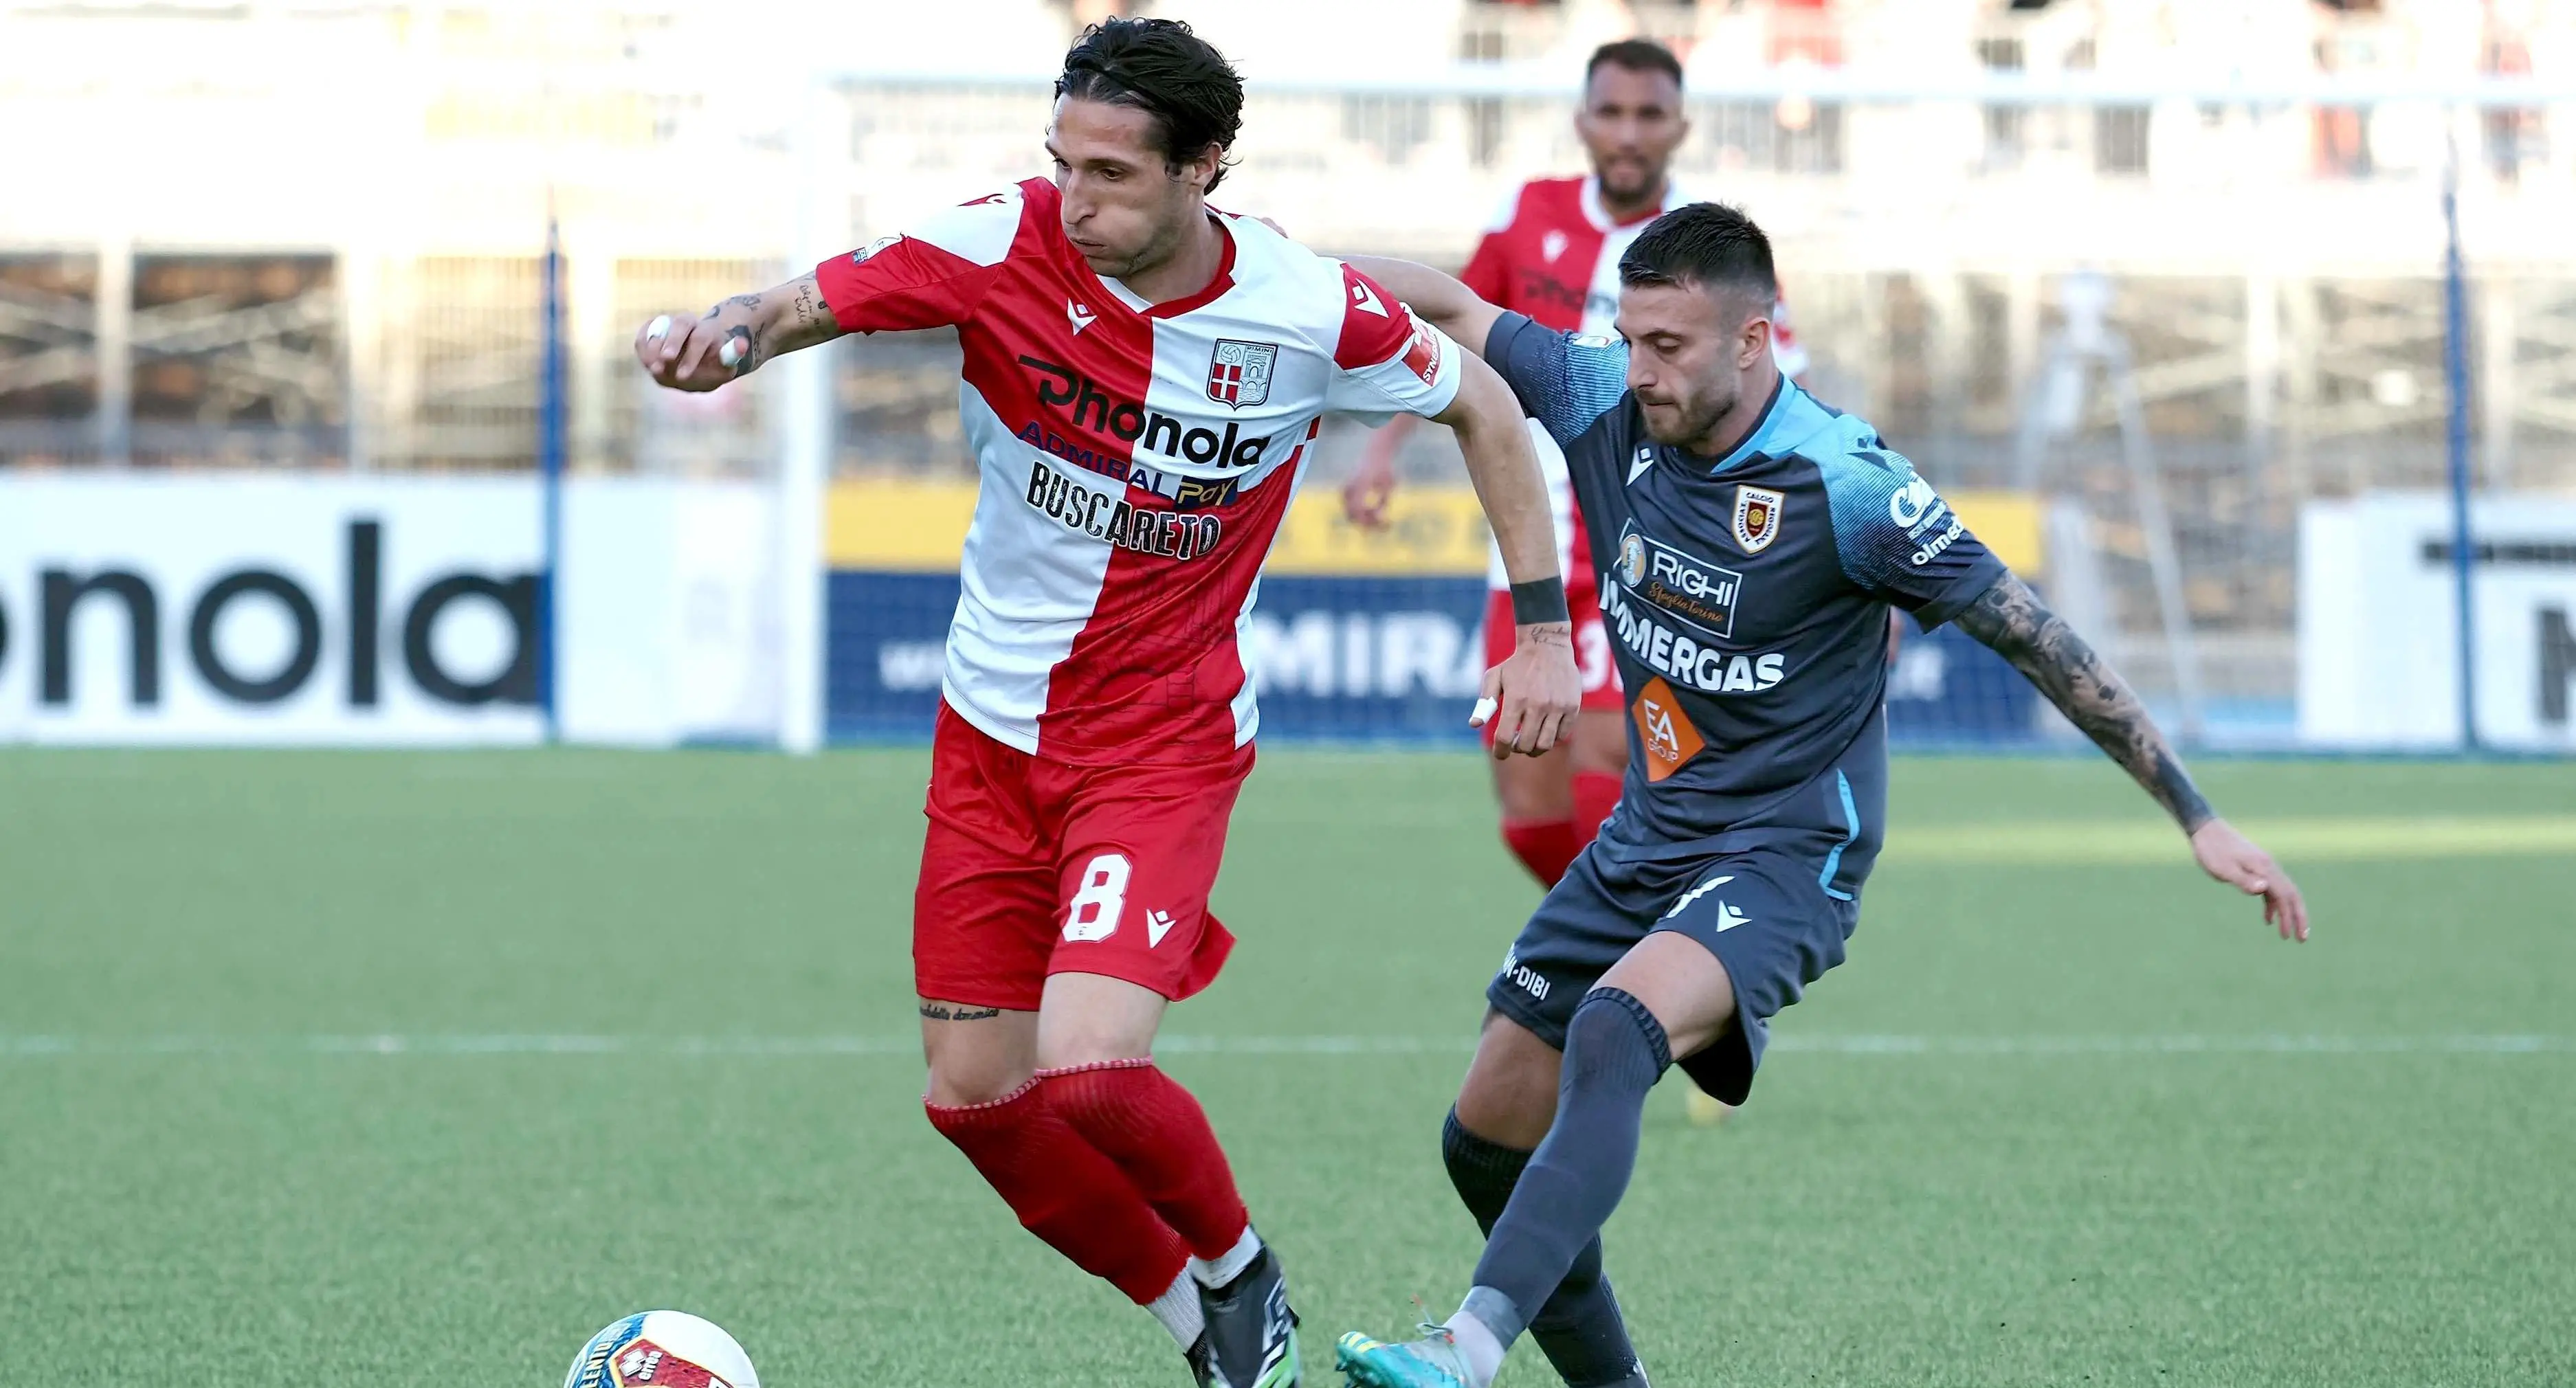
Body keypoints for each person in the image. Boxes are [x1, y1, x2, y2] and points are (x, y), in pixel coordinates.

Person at [630, 20, 1582, 1388]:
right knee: (973, 1100)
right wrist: (718, 338)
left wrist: (1539, 630)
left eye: (1114, 175)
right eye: (1061, 163)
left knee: (1086, 1069)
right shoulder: (998, 243)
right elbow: (799, 305)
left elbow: (1487, 408)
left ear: (1204, 169)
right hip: (986, 735)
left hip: (1160, 744)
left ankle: (1242, 1265)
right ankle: (1204, 1327)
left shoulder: (1303, 307)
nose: (1076, 201)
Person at [1325, 205, 2310, 1388]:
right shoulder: (1598, 398)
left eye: (1669, 347)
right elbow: (1448, 305)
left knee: (1612, 1029)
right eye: (1631, 338)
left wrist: (2194, 815)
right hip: (1650, 833)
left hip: (1789, 856)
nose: (1639, 370)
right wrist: (1262, 268)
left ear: (1754, 341)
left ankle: (1466, 1346)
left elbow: (2041, 644)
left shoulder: (1847, 486)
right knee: (1482, 1137)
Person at [1340, 38, 1808, 893]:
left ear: (1680, 127)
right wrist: (1383, 443)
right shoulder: (1528, 211)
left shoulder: (1712, 246)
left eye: (1649, 116)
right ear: (1582, 121)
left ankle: (1646, 978)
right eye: (1613, 113)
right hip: (1525, 537)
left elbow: (1780, 392)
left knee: (1602, 758)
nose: (1628, 134)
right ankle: (1638, 950)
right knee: (1528, 810)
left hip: (1646, 542)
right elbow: (1444, 328)